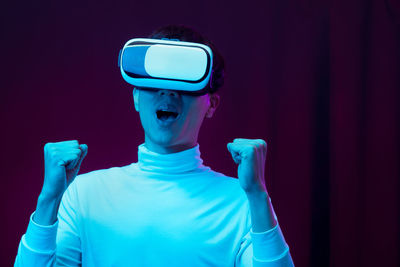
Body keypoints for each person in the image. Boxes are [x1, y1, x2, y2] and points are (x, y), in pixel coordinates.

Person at [14, 25, 294, 266]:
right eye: (154, 81)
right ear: (136, 96)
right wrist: (48, 200)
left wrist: (258, 197)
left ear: (212, 104)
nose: (168, 92)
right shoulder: (83, 195)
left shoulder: (241, 203)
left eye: (185, 83)